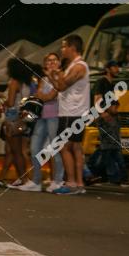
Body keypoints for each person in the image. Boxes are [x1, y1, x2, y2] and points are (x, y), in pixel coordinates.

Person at [18, 52, 65, 192]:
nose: (51, 63)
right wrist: (44, 96)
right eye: (48, 60)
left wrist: (43, 96)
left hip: (55, 116)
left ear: (59, 63)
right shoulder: (43, 78)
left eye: (54, 60)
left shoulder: (61, 77)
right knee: (34, 148)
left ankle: (58, 180)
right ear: (45, 63)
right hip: (41, 117)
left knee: (55, 149)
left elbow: (51, 95)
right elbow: (40, 96)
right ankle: (36, 181)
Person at [50, 34, 90, 195]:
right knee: (75, 148)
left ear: (72, 48)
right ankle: (79, 183)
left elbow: (62, 86)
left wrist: (57, 72)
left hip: (72, 112)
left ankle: (72, 182)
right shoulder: (74, 65)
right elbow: (61, 86)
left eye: (64, 46)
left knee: (64, 147)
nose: (62, 49)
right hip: (73, 112)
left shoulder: (79, 66)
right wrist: (53, 75)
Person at [3, 58, 33, 188]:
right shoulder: (26, 83)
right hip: (23, 118)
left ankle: (24, 179)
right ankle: (22, 178)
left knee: (16, 151)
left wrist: (2, 99)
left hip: (13, 118)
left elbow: (10, 103)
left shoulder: (13, 82)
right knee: (17, 150)